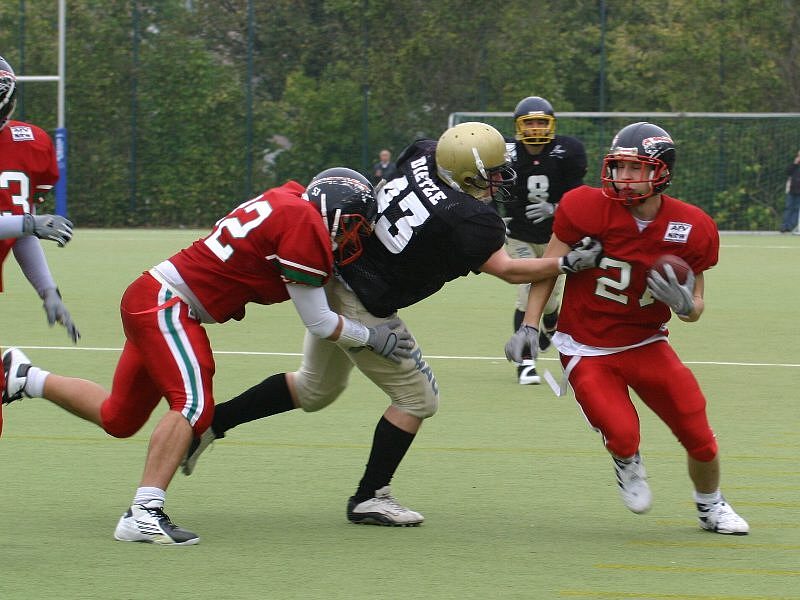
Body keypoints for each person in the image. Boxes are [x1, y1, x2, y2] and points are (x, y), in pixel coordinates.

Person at [180, 122, 602, 527]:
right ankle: (370, 496)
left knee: (314, 389)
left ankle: (212, 425)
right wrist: (566, 263)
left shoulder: (423, 152)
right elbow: (509, 269)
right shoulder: (470, 218)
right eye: (490, 173)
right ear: (464, 173)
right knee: (418, 399)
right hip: (366, 300)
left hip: (337, 273)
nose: (497, 180)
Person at [2, 167, 414, 545]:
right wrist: (370, 337)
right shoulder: (304, 224)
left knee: (119, 418)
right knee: (194, 404)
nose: (354, 237)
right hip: (168, 303)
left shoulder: (290, 200)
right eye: (354, 226)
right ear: (335, 214)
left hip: (152, 296)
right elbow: (320, 322)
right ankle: (143, 513)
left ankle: (25, 377)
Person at [505, 122, 749, 535]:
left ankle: (711, 505)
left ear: (661, 173)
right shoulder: (584, 206)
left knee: (698, 432)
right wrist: (530, 326)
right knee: (622, 434)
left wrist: (686, 305)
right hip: (585, 345)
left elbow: (696, 307)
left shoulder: (692, 226)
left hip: (646, 341)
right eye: (619, 167)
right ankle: (625, 460)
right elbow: (548, 268)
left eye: (636, 168)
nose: (624, 176)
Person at [0, 54, 79, 437]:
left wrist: (48, 290)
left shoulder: (30, 144)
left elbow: (20, 230)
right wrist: (29, 222)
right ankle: (17, 376)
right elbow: (25, 223)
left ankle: (14, 375)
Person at [500, 96, 586, 385]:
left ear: (551, 124)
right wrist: (493, 221)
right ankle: (526, 362)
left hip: (556, 239)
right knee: (528, 292)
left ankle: (550, 321)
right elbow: (489, 189)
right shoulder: (506, 153)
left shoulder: (567, 151)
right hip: (520, 237)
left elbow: (579, 198)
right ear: (518, 126)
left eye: (541, 122)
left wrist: (556, 208)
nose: (535, 128)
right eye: (529, 122)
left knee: (549, 302)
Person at [780, 149, 800, 233]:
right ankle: (784, 226)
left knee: (797, 209)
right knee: (788, 208)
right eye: (798, 155)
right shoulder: (794, 165)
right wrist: (794, 163)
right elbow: (787, 172)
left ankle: (790, 226)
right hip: (791, 190)